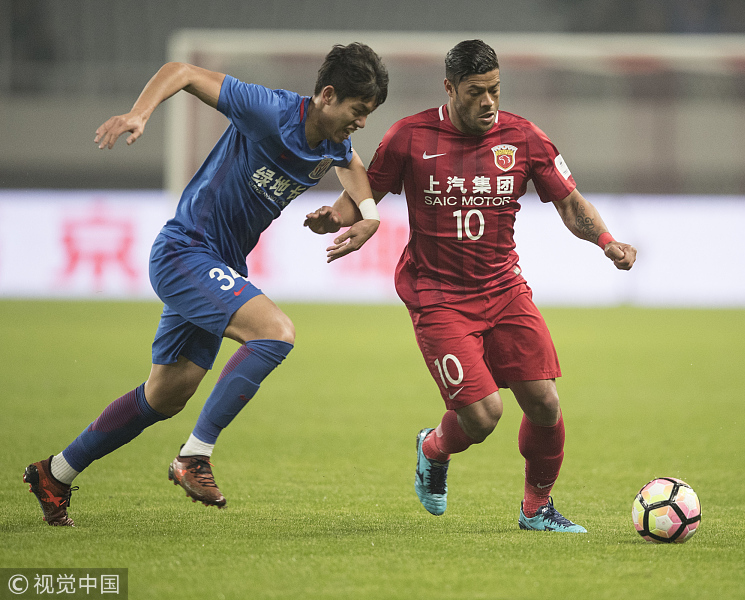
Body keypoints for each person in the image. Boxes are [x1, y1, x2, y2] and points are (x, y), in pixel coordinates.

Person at [23, 43, 389, 526]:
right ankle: (194, 456)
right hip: (186, 251)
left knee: (166, 395)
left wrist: (365, 216)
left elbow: (353, 166)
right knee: (274, 332)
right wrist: (139, 114)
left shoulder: (331, 141)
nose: (361, 122)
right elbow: (182, 71)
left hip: (220, 266)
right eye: (358, 111)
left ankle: (55, 473)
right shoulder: (270, 109)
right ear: (326, 95)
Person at [304, 39, 636, 532]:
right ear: (450, 88)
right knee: (483, 417)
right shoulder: (409, 137)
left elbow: (569, 203)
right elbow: (366, 190)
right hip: (437, 295)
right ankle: (433, 448)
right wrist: (336, 216)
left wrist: (607, 241)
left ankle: (536, 509)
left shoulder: (523, 138)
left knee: (544, 403)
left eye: (495, 90)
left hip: (504, 290)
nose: (489, 102)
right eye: (476, 91)